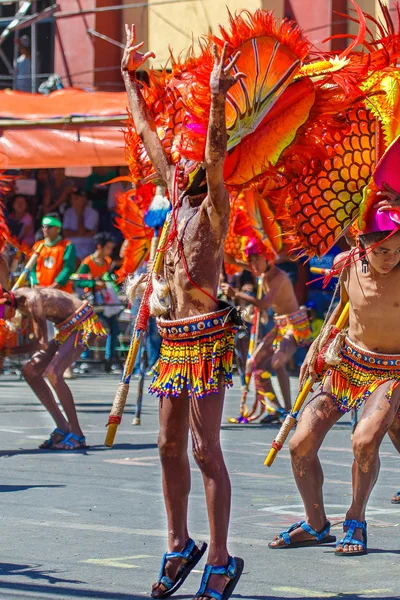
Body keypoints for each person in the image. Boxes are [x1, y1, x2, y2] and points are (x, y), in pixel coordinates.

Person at [122, 24, 244, 600]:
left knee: (204, 450)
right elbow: (145, 130)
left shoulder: (214, 208)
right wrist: (130, 79)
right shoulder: (169, 213)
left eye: (185, 160)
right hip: (172, 340)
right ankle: (179, 544)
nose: (175, 165)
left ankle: (220, 559)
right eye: (174, 162)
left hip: (209, 337)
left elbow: (218, 156)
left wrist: (218, 96)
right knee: (168, 447)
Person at [268, 195, 400, 555]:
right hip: (348, 368)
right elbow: (341, 309)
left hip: (393, 373)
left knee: (364, 440)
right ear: (362, 245)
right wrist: (317, 346)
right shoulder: (347, 266)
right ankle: (316, 524)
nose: (391, 259)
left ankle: (355, 519)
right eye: (383, 251)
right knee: (300, 445)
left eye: (396, 250)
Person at [1, 285, 106, 449]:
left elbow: (41, 344)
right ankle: (63, 428)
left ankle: (77, 434)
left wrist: (8, 352)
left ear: (6, 300)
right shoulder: (19, 298)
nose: (3, 318)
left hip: (83, 325)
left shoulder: (32, 301)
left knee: (53, 373)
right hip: (66, 329)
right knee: (30, 372)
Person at [221, 238, 313, 419]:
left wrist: (236, 294)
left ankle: (289, 411)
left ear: (267, 258)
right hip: (279, 325)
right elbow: (231, 261)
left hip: (294, 324)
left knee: (277, 363)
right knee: (253, 362)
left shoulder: (279, 277)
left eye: (257, 259)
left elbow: (265, 303)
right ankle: (276, 407)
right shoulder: (261, 271)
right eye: (251, 260)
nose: (253, 264)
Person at [76, 232, 120, 369]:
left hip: (106, 301)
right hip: (93, 302)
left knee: (114, 328)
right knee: (89, 329)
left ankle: (110, 358)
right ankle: (85, 359)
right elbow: (79, 282)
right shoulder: (87, 262)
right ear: (99, 247)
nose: (110, 251)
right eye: (108, 248)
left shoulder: (107, 262)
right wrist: (94, 284)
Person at [30, 214, 76, 293]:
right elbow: (31, 268)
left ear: (58, 228)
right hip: (39, 292)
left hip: (61, 292)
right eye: (43, 226)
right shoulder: (37, 246)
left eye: (49, 227)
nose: (45, 229)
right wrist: (35, 285)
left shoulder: (67, 246)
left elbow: (68, 268)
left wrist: (54, 286)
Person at [63, 187, 99, 260]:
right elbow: (65, 233)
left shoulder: (93, 213)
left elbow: (82, 230)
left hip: (85, 248)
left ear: (84, 200)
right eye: (72, 199)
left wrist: (80, 214)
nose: (72, 201)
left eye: (76, 199)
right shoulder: (68, 212)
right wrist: (82, 234)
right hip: (69, 246)